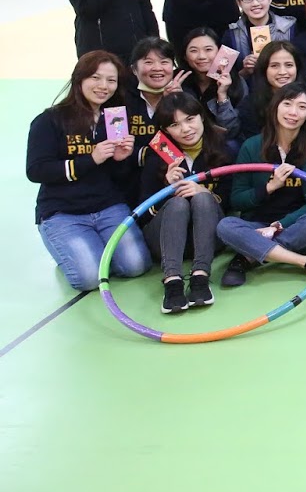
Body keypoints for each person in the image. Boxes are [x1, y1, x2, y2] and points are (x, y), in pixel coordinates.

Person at [28, 52, 149, 291]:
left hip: (108, 207)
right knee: (89, 279)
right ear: (79, 79)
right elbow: (36, 170)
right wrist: (91, 159)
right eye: (96, 77)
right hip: (63, 212)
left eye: (111, 80)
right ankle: (66, 247)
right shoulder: (49, 120)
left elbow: (117, 175)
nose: (103, 86)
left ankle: (90, 248)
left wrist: (121, 159)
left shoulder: (113, 119)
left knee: (136, 265)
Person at [216, 83, 306, 290]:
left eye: (301, 107)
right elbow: (237, 199)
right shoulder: (251, 145)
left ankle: (247, 257)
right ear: (275, 107)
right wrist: (270, 187)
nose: (293, 112)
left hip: (298, 226)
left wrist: (278, 226)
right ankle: (305, 261)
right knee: (225, 226)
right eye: (287, 104)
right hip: (258, 225)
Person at [140, 93, 232, 313]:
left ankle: (200, 277)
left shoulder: (223, 148)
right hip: (167, 241)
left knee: (202, 197)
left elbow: (230, 203)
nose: (185, 129)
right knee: (178, 203)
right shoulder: (156, 156)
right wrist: (168, 189)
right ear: (165, 131)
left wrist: (205, 192)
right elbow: (142, 215)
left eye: (190, 119)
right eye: (174, 125)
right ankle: (172, 282)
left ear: (202, 117)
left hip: (208, 237)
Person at [223, 0, 296, 80]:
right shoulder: (232, 34)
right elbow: (220, 75)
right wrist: (245, 71)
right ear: (239, 3)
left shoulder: (289, 28)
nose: (255, 3)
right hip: (248, 89)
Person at [178, 28, 242, 139]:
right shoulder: (177, 80)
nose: (201, 56)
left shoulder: (236, 81)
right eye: (193, 51)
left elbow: (232, 131)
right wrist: (174, 99)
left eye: (208, 49)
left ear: (220, 52)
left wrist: (222, 96)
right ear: (185, 56)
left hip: (221, 143)